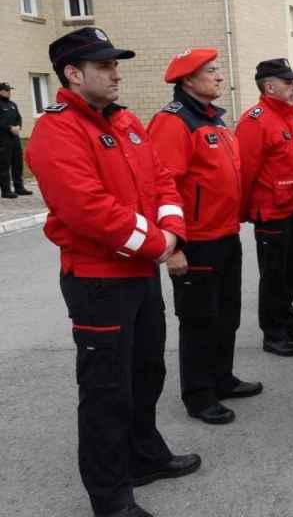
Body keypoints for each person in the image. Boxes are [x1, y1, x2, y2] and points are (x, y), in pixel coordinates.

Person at [26, 26, 200, 517]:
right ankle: (110, 497)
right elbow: (87, 208)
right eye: (104, 66)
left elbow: (161, 180)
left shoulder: (125, 122)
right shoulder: (56, 130)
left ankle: (144, 455)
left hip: (141, 273)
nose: (115, 72)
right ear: (73, 73)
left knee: (147, 370)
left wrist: (171, 232)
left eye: (115, 63)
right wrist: (158, 244)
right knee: (105, 389)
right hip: (98, 279)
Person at [148, 48, 262, 426]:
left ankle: (221, 378)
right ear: (187, 80)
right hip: (195, 239)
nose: (218, 75)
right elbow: (161, 187)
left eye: (217, 69)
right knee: (199, 318)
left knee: (226, 313)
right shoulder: (174, 122)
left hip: (225, 234)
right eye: (210, 71)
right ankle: (198, 394)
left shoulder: (213, 119)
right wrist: (174, 245)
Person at [237, 58, 293, 357]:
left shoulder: (291, 116)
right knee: (273, 275)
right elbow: (245, 172)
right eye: (288, 82)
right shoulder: (255, 120)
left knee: (291, 271)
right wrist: (245, 211)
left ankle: (288, 321)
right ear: (269, 86)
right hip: (271, 212)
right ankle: (273, 332)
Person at [0, 81, 30, 198]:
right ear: (1, 91)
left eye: (9, 90)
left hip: (15, 138)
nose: (9, 92)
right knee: (4, 165)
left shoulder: (13, 104)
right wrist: (9, 128)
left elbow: (19, 117)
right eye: (7, 90)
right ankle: (6, 190)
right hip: (3, 139)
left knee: (17, 163)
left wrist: (18, 126)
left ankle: (19, 187)